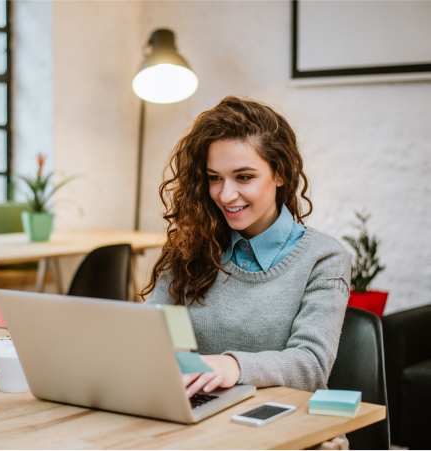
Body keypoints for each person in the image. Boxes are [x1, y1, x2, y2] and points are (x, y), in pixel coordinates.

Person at [142, 96, 351, 399]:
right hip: (203, 416)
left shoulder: (324, 258)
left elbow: (311, 364)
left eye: (244, 177)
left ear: (280, 173)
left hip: (285, 424)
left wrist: (232, 366)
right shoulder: (193, 245)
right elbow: (150, 329)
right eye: (215, 178)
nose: (226, 195)